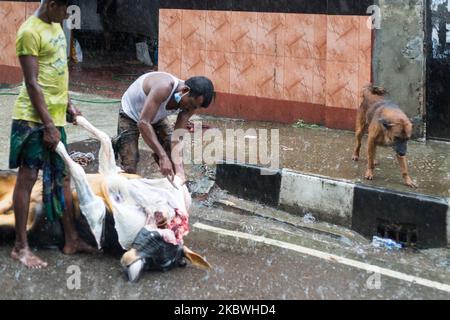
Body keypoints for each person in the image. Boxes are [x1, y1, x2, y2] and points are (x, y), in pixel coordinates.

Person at [10, 0, 96, 269]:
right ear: (51, 3)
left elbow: (59, 71)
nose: (67, 15)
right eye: (64, 9)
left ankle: (71, 239)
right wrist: (47, 125)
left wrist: (67, 104)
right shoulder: (29, 32)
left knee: (62, 177)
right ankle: (20, 247)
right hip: (32, 119)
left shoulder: (57, 25)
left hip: (55, 118)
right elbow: (33, 83)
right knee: (28, 177)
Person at [113, 72, 215, 184]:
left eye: (195, 107)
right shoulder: (164, 87)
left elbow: (177, 137)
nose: (190, 108)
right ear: (185, 90)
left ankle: (175, 188)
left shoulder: (190, 101)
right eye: (190, 103)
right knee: (130, 164)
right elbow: (143, 123)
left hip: (156, 116)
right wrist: (162, 156)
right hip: (130, 114)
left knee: (172, 155)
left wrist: (180, 171)